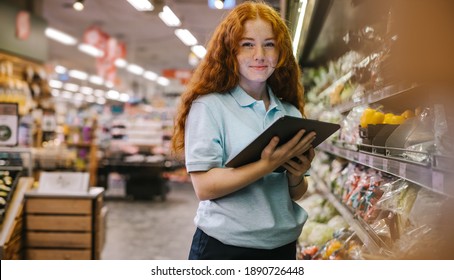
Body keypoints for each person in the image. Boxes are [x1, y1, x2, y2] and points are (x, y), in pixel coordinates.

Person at [171, 0, 316, 260]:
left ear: (281, 52)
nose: (259, 54)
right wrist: (268, 164)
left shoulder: (290, 114)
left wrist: (295, 174)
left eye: (269, 44)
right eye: (247, 44)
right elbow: (204, 187)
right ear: (231, 51)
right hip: (225, 247)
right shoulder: (210, 107)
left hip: (281, 246)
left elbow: (296, 192)